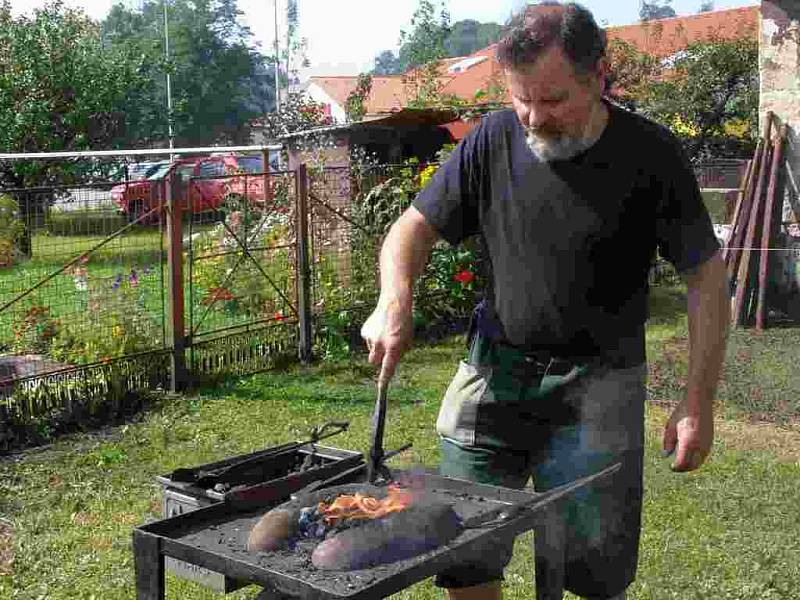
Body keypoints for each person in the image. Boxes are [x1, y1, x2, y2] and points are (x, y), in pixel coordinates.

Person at [360, 2, 730, 599]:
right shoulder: (491, 140)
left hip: (601, 388)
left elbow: (707, 281)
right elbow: (410, 230)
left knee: (592, 574)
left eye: (553, 100)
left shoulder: (652, 156)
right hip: (495, 377)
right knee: (465, 554)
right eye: (520, 99)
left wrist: (696, 402)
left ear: (599, 75)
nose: (533, 117)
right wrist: (393, 297)